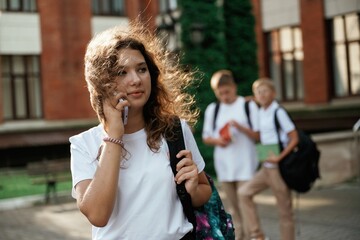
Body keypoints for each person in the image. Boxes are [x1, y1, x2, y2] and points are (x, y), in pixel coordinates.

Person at [69, 21, 212, 240]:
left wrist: (193, 188)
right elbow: (98, 215)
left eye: (142, 69)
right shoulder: (84, 144)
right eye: (121, 72)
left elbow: (204, 191)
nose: (136, 80)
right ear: (102, 83)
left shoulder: (174, 130)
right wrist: (114, 135)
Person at [202, 70, 260, 240]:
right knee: (234, 208)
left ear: (234, 87)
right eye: (220, 93)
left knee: (246, 205)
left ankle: (256, 236)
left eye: (227, 92)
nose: (224, 96)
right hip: (225, 166)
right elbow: (206, 137)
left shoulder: (247, 106)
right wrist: (218, 140)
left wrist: (240, 127)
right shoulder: (214, 109)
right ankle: (240, 236)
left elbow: (258, 136)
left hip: (246, 164)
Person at [239, 78, 299, 240]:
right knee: (244, 193)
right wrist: (249, 100)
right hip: (265, 167)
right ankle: (257, 235)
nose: (262, 95)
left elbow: (294, 138)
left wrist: (279, 157)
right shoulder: (261, 111)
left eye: (265, 91)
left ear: (274, 93)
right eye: (258, 92)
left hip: (278, 169)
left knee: (284, 211)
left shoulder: (278, 111)